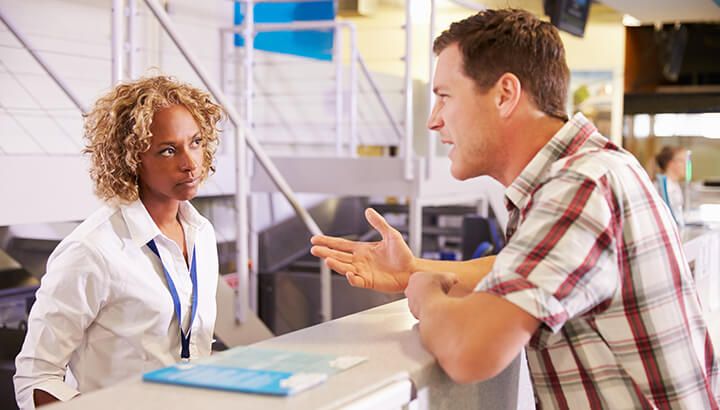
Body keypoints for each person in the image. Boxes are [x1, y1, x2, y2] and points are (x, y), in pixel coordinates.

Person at [311, 9, 719, 409]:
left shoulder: (579, 186)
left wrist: (425, 295)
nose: (433, 121)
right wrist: (412, 270)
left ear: (505, 95)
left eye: (444, 97)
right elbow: (521, 268)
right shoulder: (589, 170)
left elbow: (468, 350)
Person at [14, 76, 225, 409]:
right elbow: (35, 379)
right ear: (131, 158)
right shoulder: (92, 250)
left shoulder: (203, 233)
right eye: (168, 150)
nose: (190, 164)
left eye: (196, 142)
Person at [654, 145, 688, 224]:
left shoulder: (674, 184)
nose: (686, 165)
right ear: (671, 163)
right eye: (682, 161)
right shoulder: (661, 187)